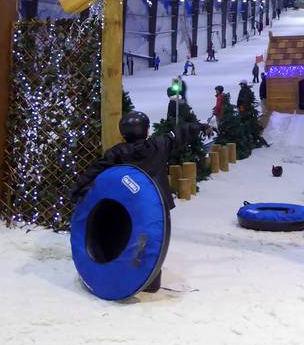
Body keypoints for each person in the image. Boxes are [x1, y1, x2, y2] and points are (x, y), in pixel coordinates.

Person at [72, 112, 210, 293]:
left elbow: (95, 171)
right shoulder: (158, 146)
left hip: (123, 208)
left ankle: (122, 276)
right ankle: (150, 280)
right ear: (146, 130)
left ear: (123, 132)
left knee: (121, 238)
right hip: (155, 208)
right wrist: (201, 127)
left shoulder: (117, 153)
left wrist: (78, 191)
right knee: (152, 242)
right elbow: (180, 133)